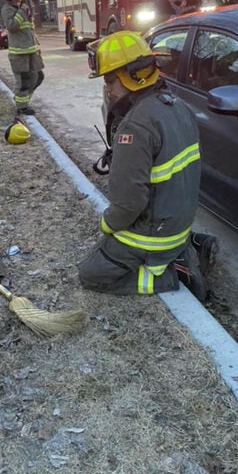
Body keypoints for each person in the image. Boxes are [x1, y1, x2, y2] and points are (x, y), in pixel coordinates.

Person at [77, 30, 218, 302]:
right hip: (178, 223)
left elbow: (129, 204)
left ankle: (175, 274)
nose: (107, 87)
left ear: (131, 76)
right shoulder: (177, 106)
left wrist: (107, 224)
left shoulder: (135, 126)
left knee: (91, 273)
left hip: (154, 235)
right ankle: (193, 246)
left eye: (110, 79)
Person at [0, 0, 44, 116]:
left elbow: (30, 30)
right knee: (24, 81)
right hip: (19, 54)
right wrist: (21, 13)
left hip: (32, 51)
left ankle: (22, 100)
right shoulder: (7, 9)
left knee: (38, 76)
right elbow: (12, 26)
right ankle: (22, 107)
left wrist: (37, 44)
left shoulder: (23, 8)